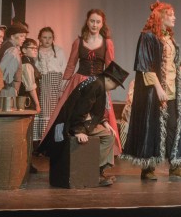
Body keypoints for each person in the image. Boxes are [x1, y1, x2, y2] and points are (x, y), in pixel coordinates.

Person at [121, 0, 181, 180]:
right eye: (171, 15)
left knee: (174, 127)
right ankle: (148, 168)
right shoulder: (148, 37)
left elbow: (172, 63)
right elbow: (145, 67)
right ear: (161, 17)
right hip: (154, 91)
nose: (174, 17)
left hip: (172, 89)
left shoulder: (169, 38)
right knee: (152, 127)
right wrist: (158, 88)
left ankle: (176, 166)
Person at [39, 9, 121, 157]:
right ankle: (63, 146)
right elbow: (71, 64)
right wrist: (63, 86)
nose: (94, 24)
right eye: (92, 21)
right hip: (79, 81)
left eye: (98, 22)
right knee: (67, 113)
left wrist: (107, 89)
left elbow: (110, 67)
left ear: (102, 24)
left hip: (98, 84)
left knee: (100, 114)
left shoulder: (107, 43)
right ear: (87, 22)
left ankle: (99, 155)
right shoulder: (78, 42)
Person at [38, 61, 129, 187]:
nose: (115, 88)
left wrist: (104, 122)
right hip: (73, 122)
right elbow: (80, 109)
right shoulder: (96, 85)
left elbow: (94, 108)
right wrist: (78, 130)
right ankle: (93, 172)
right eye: (116, 84)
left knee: (108, 134)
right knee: (108, 137)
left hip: (79, 120)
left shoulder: (97, 82)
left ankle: (98, 171)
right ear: (109, 79)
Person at [34, 27, 67, 147]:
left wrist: (62, 87)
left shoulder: (58, 51)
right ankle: (41, 142)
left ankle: (52, 142)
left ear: (53, 39)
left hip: (55, 83)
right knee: (42, 111)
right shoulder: (36, 51)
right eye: (44, 37)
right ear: (39, 38)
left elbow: (64, 69)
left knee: (54, 112)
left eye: (50, 37)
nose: (47, 40)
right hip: (41, 83)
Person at [0, 21, 29, 97]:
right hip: (8, 89)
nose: (24, 39)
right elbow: (6, 77)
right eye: (21, 36)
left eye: (24, 36)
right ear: (12, 36)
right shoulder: (12, 50)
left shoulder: (6, 45)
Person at [20, 38, 42, 114]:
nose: (35, 50)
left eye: (36, 48)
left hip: (29, 100)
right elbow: (30, 87)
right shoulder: (26, 64)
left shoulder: (30, 61)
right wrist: (37, 104)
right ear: (24, 50)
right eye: (32, 48)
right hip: (28, 100)